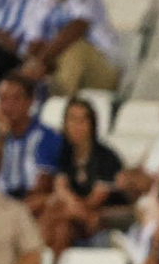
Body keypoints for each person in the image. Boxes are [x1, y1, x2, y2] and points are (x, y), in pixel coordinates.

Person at [39, 97, 124, 255]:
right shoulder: (65, 153)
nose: (76, 126)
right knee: (61, 226)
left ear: (92, 124)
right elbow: (61, 188)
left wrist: (69, 208)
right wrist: (70, 208)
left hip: (102, 215)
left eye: (82, 120)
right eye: (72, 120)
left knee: (54, 214)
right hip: (76, 217)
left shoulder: (107, 157)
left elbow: (95, 200)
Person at [0, 73, 61, 210]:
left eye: (15, 99)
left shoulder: (46, 137)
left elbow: (43, 186)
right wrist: (1, 138)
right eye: (3, 99)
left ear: (30, 101)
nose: (8, 106)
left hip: (29, 206)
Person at [22, 0, 121, 96]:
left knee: (75, 48)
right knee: (24, 67)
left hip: (101, 69)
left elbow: (77, 28)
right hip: (57, 64)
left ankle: (60, 102)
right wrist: (33, 64)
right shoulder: (42, 0)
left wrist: (41, 61)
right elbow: (34, 43)